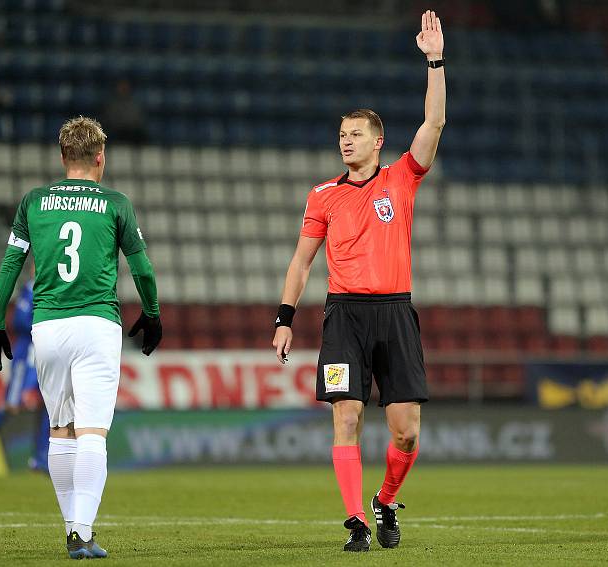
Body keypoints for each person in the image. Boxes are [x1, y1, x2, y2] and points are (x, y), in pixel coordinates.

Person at [271, 10, 445, 553]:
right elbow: (301, 261)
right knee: (345, 416)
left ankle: (387, 500)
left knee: (406, 430)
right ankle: (355, 523)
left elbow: (434, 124)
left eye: (355, 135)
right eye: (341, 135)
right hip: (343, 313)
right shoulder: (323, 195)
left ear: (378, 141)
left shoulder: (402, 178)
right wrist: (284, 317)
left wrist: (435, 61)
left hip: (395, 312)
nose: (345, 141)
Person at [0, 116, 162, 559]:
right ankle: (80, 530)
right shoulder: (116, 202)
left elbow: (9, 266)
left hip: (47, 327)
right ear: (101, 157)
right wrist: (152, 312)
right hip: (97, 323)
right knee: (92, 432)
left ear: (63, 157)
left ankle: (75, 530)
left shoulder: (34, 201)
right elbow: (141, 267)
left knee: (60, 430)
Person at [0, 273, 51, 477]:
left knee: (50, 405)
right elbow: (19, 321)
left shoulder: (52, 287)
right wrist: (44, 324)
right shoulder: (31, 289)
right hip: (26, 359)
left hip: (45, 355)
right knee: (11, 407)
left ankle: (41, 458)